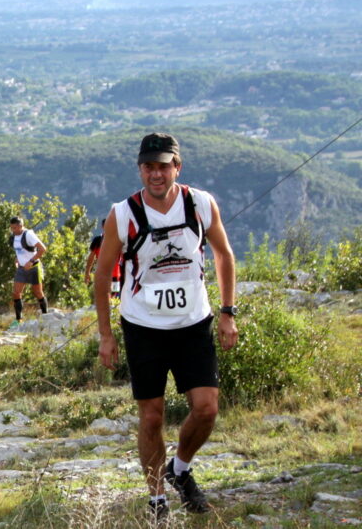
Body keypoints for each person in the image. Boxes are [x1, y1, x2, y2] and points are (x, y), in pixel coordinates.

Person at [94, 132, 238, 520]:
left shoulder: (201, 204)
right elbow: (103, 274)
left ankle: (181, 468)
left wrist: (228, 311)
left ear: (178, 166)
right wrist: (106, 335)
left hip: (194, 322)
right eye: (148, 167)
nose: (156, 174)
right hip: (143, 326)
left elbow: (224, 255)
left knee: (206, 409)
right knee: (152, 415)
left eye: (163, 166)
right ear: (140, 169)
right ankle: (156, 497)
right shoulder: (122, 214)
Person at [8, 216, 47, 329]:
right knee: (16, 292)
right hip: (21, 268)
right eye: (11, 228)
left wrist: (31, 261)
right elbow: (20, 250)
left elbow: (42, 249)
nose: (13, 230)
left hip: (34, 267)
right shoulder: (14, 237)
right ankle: (18, 319)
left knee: (37, 292)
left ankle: (45, 315)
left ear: (21, 226)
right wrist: (17, 259)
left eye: (15, 228)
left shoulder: (28, 235)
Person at [84, 218, 122, 297]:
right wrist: (87, 272)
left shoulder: (119, 240)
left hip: (115, 275)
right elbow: (91, 257)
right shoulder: (98, 240)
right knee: (105, 297)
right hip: (103, 274)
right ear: (103, 227)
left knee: (114, 298)